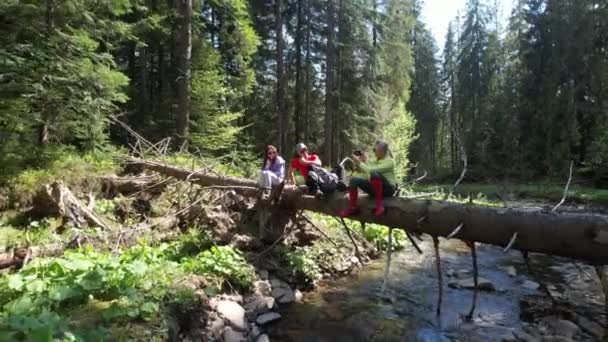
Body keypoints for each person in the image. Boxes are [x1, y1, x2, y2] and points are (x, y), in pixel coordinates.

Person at [340, 140, 396, 217]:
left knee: (374, 173)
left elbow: (371, 171)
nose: (374, 152)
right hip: (377, 190)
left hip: (388, 190)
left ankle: (379, 205)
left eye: (374, 150)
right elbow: (367, 172)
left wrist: (359, 162)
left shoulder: (390, 162)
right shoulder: (376, 160)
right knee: (354, 180)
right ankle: (353, 207)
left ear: (381, 150)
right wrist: (363, 161)